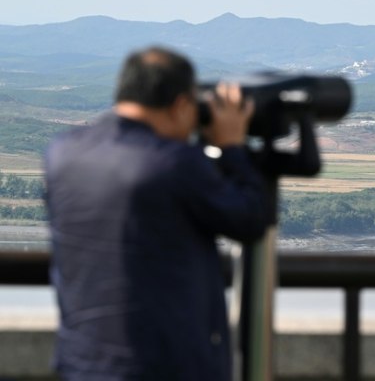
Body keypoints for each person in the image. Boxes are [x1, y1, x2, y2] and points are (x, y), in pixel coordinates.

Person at [45, 46, 268, 381]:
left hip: (82, 362)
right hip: (163, 367)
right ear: (181, 105)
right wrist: (232, 147)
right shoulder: (173, 163)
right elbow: (250, 219)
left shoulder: (63, 153)